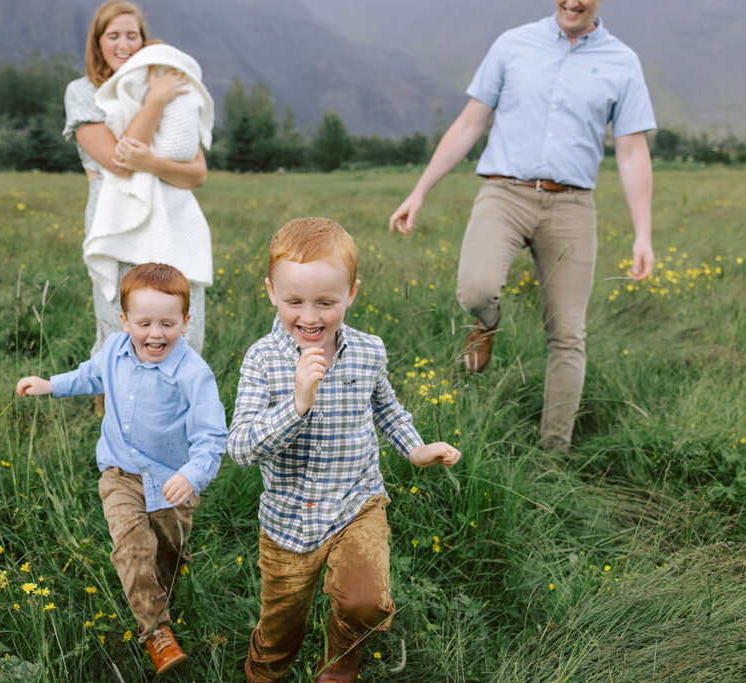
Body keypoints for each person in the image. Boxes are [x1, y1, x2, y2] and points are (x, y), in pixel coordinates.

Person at [388, 0, 656, 451]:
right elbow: (469, 124)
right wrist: (419, 191)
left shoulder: (622, 62)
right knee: (475, 289)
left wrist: (642, 233)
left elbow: (631, 152)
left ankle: (554, 453)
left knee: (568, 334)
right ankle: (487, 324)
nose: (571, 2)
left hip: (572, 206)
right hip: (503, 193)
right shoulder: (512, 45)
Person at [227, 218, 461, 682]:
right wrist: (296, 405)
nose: (310, 318)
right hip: (287, 520)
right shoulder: (263, 359)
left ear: (351, 293)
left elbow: (388, 411)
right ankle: (264, 672)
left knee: (366, 602)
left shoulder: (368, 352)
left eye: (325, 303)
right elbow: (239, 449)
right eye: (295, 301)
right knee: (279, 634)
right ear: (271, 292)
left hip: (357, 503)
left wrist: (415, 450)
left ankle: (339, 658)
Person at [15, 262, 227, 676]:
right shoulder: (113, 349)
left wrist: (192, 475)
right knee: (133, 548)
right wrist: (50, 385)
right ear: (124, 319)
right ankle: (156, 632)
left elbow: (211, 436)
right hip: (120, 472)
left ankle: (161, 591)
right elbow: (89, 376)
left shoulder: (193, 374)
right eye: (143, 322)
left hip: (173, 481)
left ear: (186, 321)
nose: (155, 333)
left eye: (167, 323)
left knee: (168, 553)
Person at [62, 1, 210, 358]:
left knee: (176, 315)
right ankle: (108, 404)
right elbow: (120, 162)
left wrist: (152, 161)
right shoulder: (82, 92)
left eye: (132, 35)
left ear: (144, 41)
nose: (123, 44)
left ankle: (176, 406)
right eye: (113, 36)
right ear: (98, 43)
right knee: (122, 322)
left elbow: (197, 173)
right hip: (118, 219)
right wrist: (156, 101)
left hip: (174, 218)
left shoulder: (160, 83)